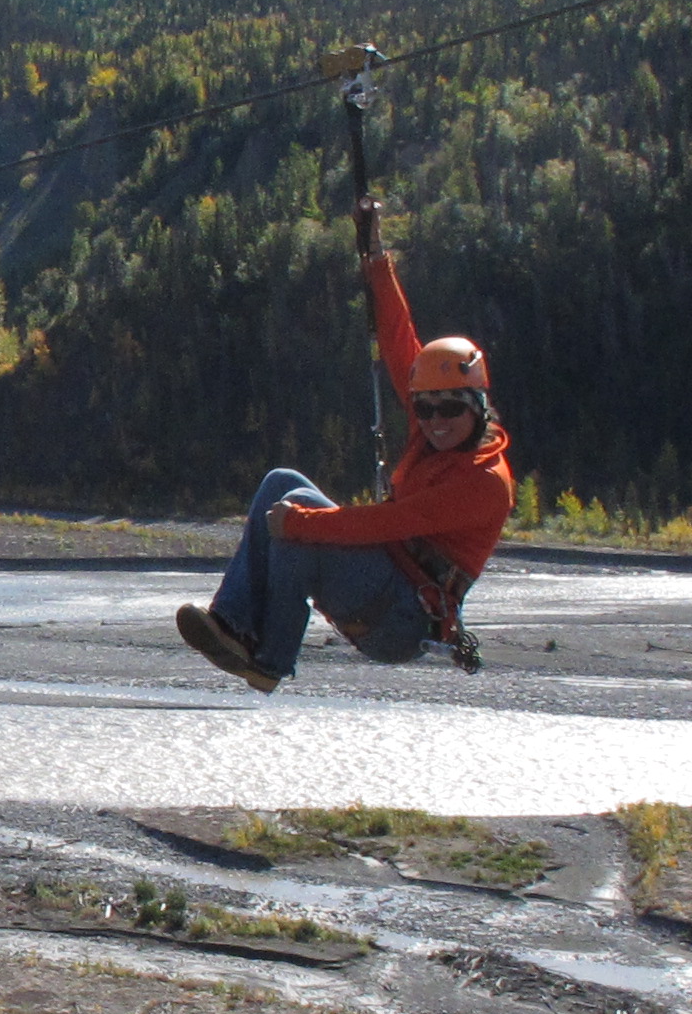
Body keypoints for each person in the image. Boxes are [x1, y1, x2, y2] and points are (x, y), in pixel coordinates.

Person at [175, 203, 512, 689]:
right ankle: (233, 623)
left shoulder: (484, 483)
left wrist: (300, 521)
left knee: (299, 521)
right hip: (383, 581)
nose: (436, 421)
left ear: (478, 406)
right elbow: (400, 344)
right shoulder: (436, 437)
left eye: (450, 409)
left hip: (405, 619)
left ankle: (269, 660)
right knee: (282, 483)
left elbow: (389, 523)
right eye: (426, 409)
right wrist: (376, 257)